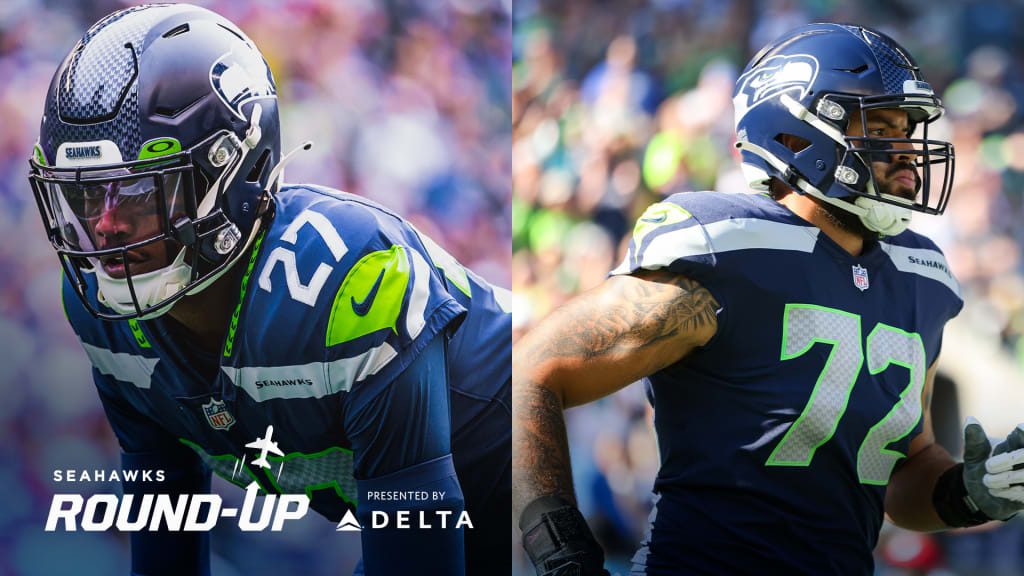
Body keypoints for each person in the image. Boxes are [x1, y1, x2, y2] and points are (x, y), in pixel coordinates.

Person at [513, 23, 1024, 576]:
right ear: (797, 133)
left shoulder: (921, 275)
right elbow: (534, 372)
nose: (907, 152)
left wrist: (966, 493)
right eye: (880, 126)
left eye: (908, 129)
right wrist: (559, 550)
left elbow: (905, 470)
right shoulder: (729, 248)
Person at [29, 4, 510, 576]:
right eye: (86, 196)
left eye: (134, 191)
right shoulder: (100, 311)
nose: (104, 227)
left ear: (231, 171)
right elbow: (165, 539)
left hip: (525, 479)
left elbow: (418, 529)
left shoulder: (347, 280)